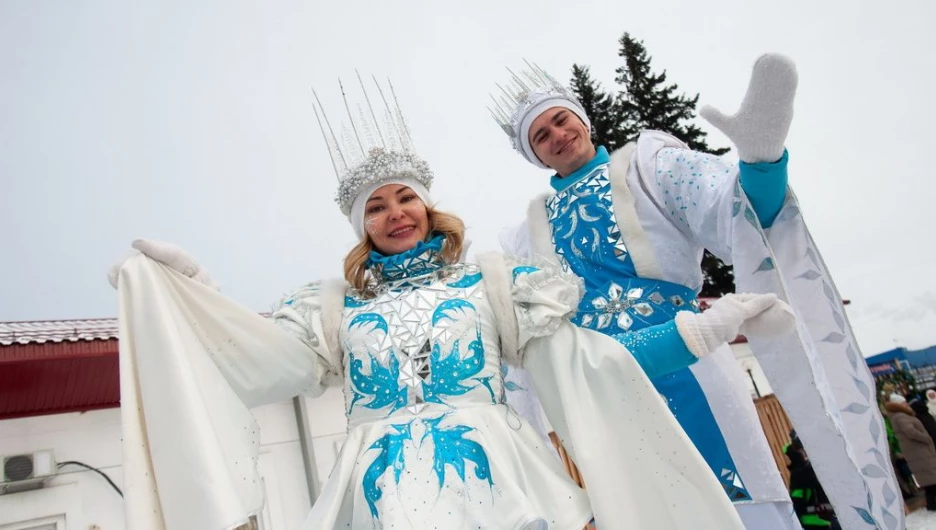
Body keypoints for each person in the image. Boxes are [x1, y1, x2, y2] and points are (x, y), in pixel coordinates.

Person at [106, 81, 785, 528]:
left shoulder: (492, 284)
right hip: (378, 502)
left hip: (501, 490)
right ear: (360, 225)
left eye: (405, 198)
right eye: (376, 206)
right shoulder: (335, 308)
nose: (395, 212)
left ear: (428, 207)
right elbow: (256, 362)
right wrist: (196, 297)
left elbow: (589, 366)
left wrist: (697, 332)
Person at [490, 54, 901, 529]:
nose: (557, 136)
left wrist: (761, 163)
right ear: (534, 155)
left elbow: (737, 213)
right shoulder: (524, 236)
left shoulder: (646, 167)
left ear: (581, 118)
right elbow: (524, 336)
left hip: (695, 359)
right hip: (605, 392)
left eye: (561, 120)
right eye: (541, 135)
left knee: (740, 501)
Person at [885, 395, 936, 511]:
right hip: (919, 452)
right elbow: (910, 431)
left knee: (930, 479)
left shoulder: (900, 416)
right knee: (931, 478)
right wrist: (926, 438)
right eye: (903, 403)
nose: (906, 404)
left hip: (919, 452)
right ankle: (932, 504)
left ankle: (931, 503)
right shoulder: (900, 416)